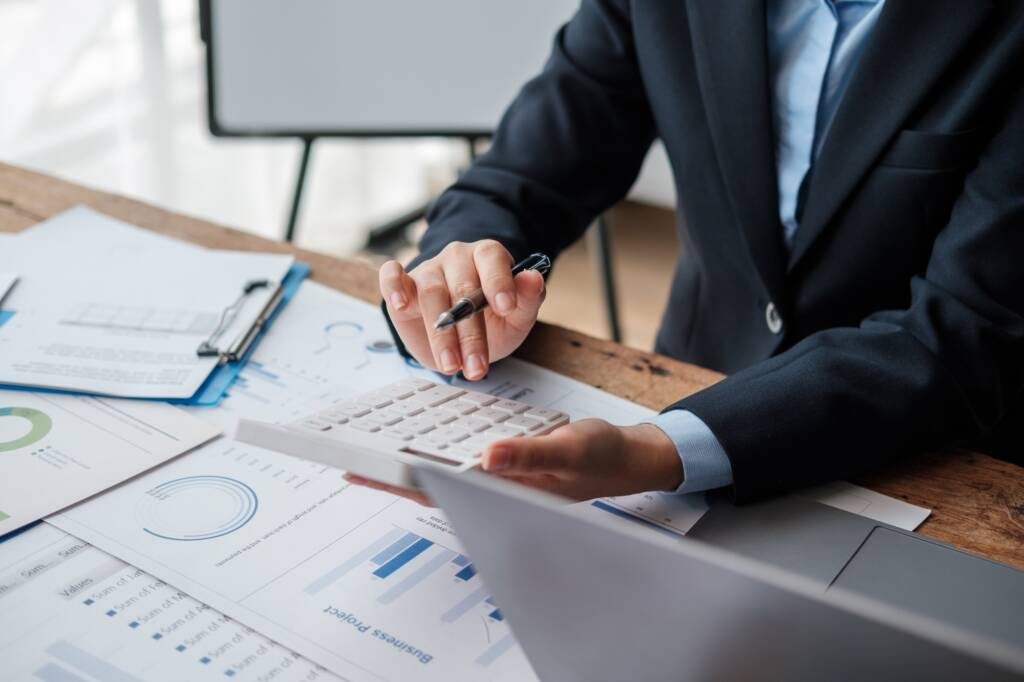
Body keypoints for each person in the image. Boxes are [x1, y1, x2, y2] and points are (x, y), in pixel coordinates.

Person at [348, 0, 1024, 505]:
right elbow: (529, 170)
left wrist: (664, 447)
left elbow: (966, 331)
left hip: (941, 471)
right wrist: (463, 264)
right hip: (689, 374)